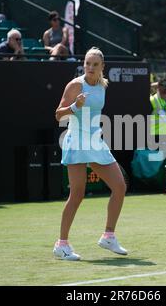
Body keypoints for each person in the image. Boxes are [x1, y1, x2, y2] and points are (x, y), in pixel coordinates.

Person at [54, 47, 127, 261]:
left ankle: (108, 236)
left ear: (102, 67)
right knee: (77, 194)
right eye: (87, 63)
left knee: (120, 186)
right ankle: (62, 244)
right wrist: (74, 106)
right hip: (76, 140)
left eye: (95, 64)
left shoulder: (103, 85)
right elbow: (58, 114)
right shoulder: (76, 85)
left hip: (96, 141)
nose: (91, 68)